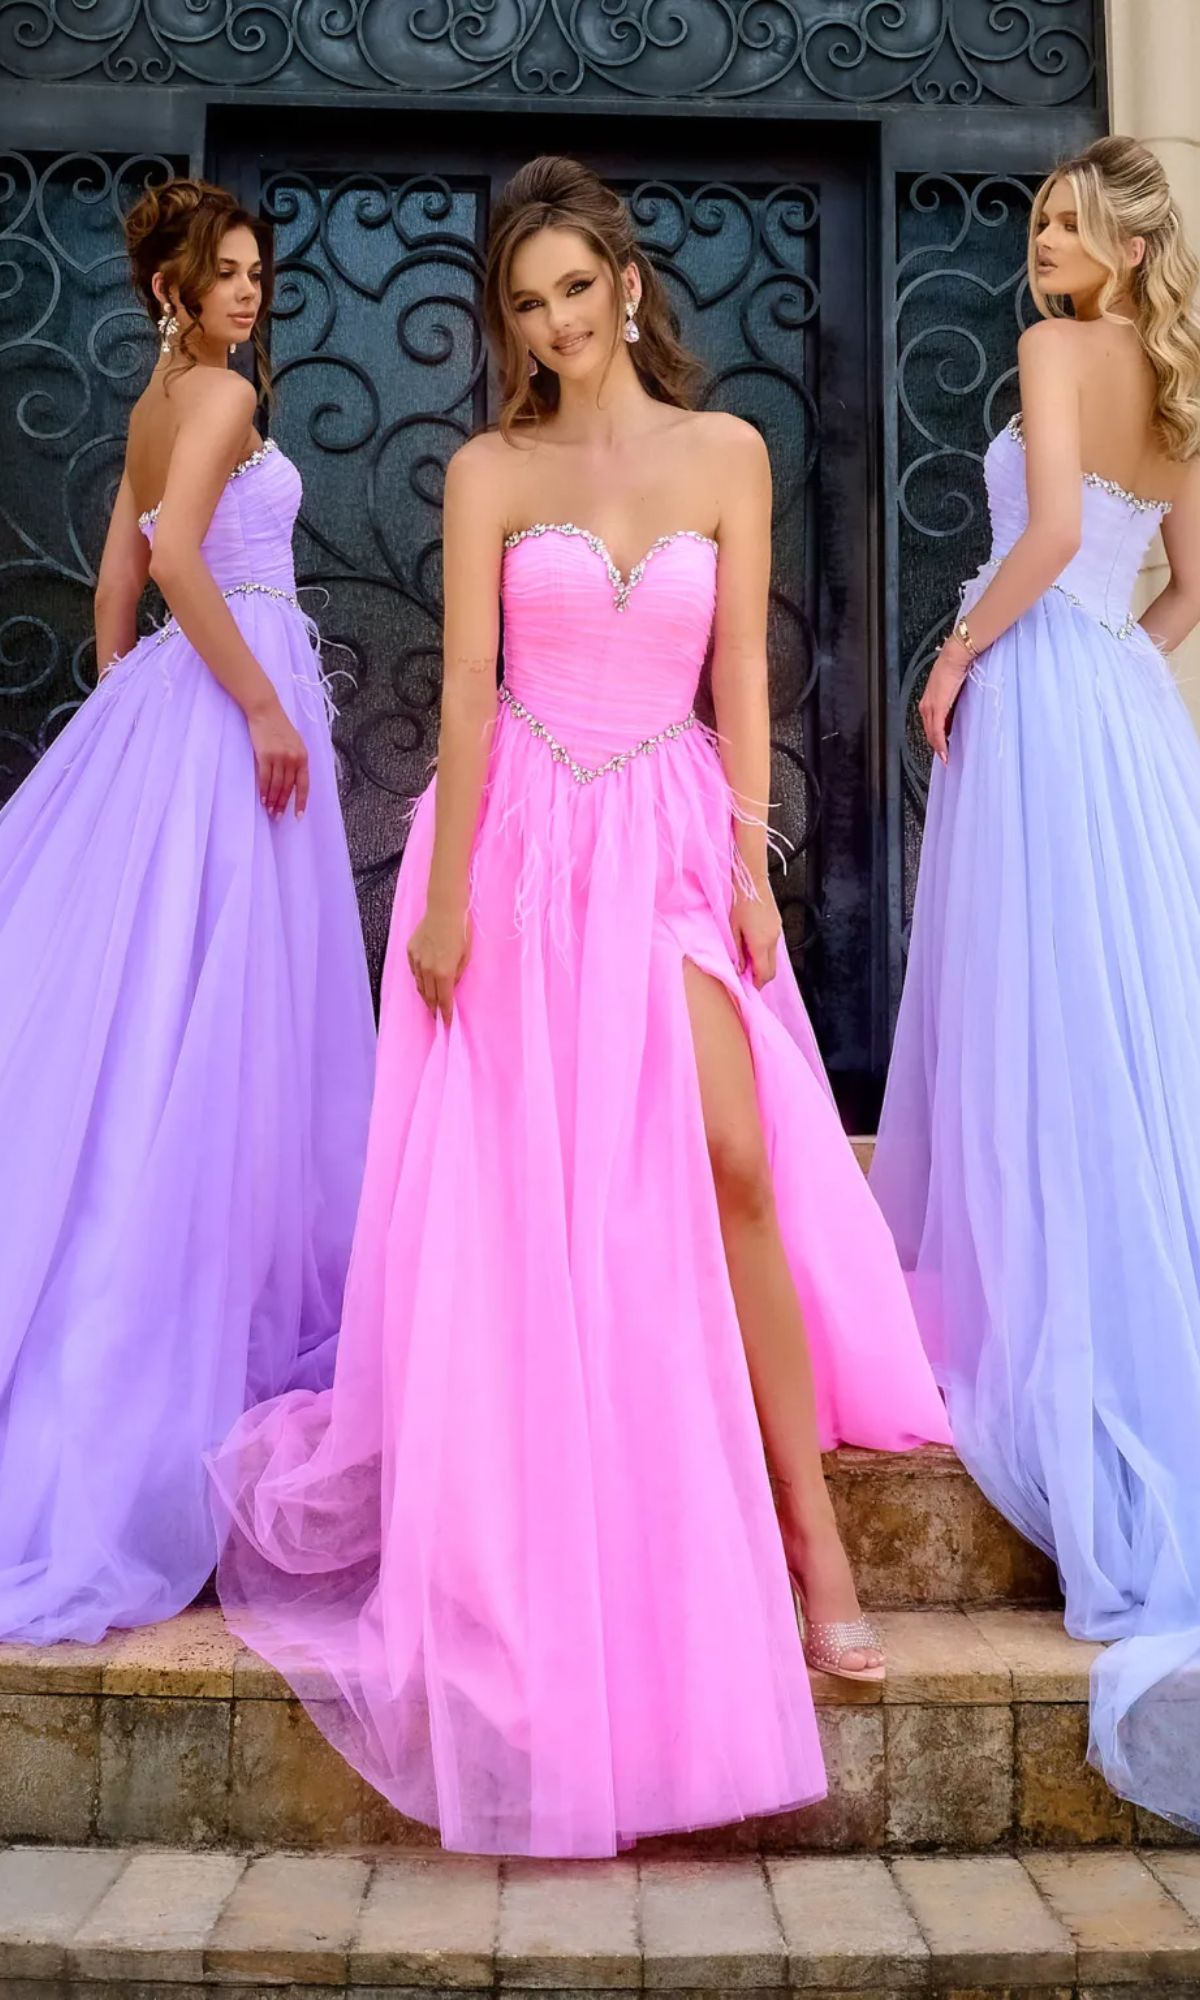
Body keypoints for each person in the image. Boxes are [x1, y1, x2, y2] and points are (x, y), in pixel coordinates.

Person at [209, 154, 950, 1859]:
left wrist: (754, 867)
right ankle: (565, 1539)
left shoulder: (729, 451)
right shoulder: (490, 469)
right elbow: (470, 694)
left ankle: (811, 1540)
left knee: (735, 1160)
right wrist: (443, 896)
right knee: (546, 1202)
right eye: (526, 303)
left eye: (574, 288)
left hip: (673, 838)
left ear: (628, 281)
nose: (554, 323)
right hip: (528, 848)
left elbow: (742, 673)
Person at [871, 135, 1200, 1827]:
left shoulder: (1056, 350)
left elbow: (1057, 525)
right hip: (1126, 715)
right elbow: (1185, 591)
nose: (1042, 240)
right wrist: (1120, 672)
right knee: (1126, 1026)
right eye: (1040, 217)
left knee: (1036, 1014)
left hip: (1043, 698)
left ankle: (1035, 1300)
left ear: (1127, 250)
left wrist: (964, 649)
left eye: (1070, 222)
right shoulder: (1178, 383)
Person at [0, 178, 375, 1644]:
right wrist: (259, 706)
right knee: (234, 1012)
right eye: (223, 273)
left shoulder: (159, 405)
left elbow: (118, 587)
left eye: (256, 272)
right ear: (170, 288)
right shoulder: (218, 396)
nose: (247, 293)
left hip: (183, 710)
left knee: (168, 1010)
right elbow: (166, 564)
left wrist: (131, 707)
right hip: (234, 707)